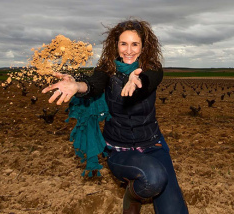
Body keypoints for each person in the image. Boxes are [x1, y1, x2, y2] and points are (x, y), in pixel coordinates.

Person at [42, 19, 188, 214]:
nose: (129, 50)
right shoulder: (107, 70)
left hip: (153, 144)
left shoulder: (152, 69)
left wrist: (137, 81)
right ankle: (132, 196)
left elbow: (148, 80)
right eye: (123, 44)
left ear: (144, 47)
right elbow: (94, 84)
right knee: (153, 178)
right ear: (116, 45)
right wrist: (78, 86)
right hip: (120, 150)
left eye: (135, 44)